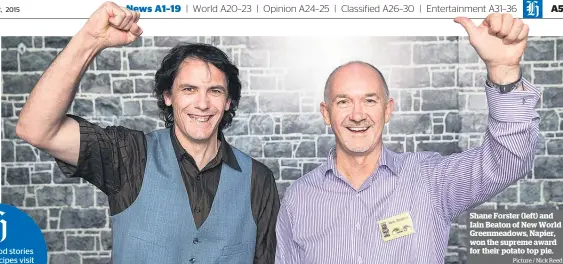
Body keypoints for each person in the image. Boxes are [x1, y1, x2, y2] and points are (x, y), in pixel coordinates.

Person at [16, 2, 279, 263]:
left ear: (228, 102)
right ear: (168, 96)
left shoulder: (259, 180)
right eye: (189, 89)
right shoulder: (129, 155)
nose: (202, 103)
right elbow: (36, 129)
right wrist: (91, 40)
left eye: (215, 91)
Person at [275, 13, 540, 264]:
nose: (357, 115)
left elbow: (508, 161)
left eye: (370, 100)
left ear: (388, 109)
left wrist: (503, 72)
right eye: (344, 102)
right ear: (326, 113)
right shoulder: (299, 199)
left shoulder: (430, 181)